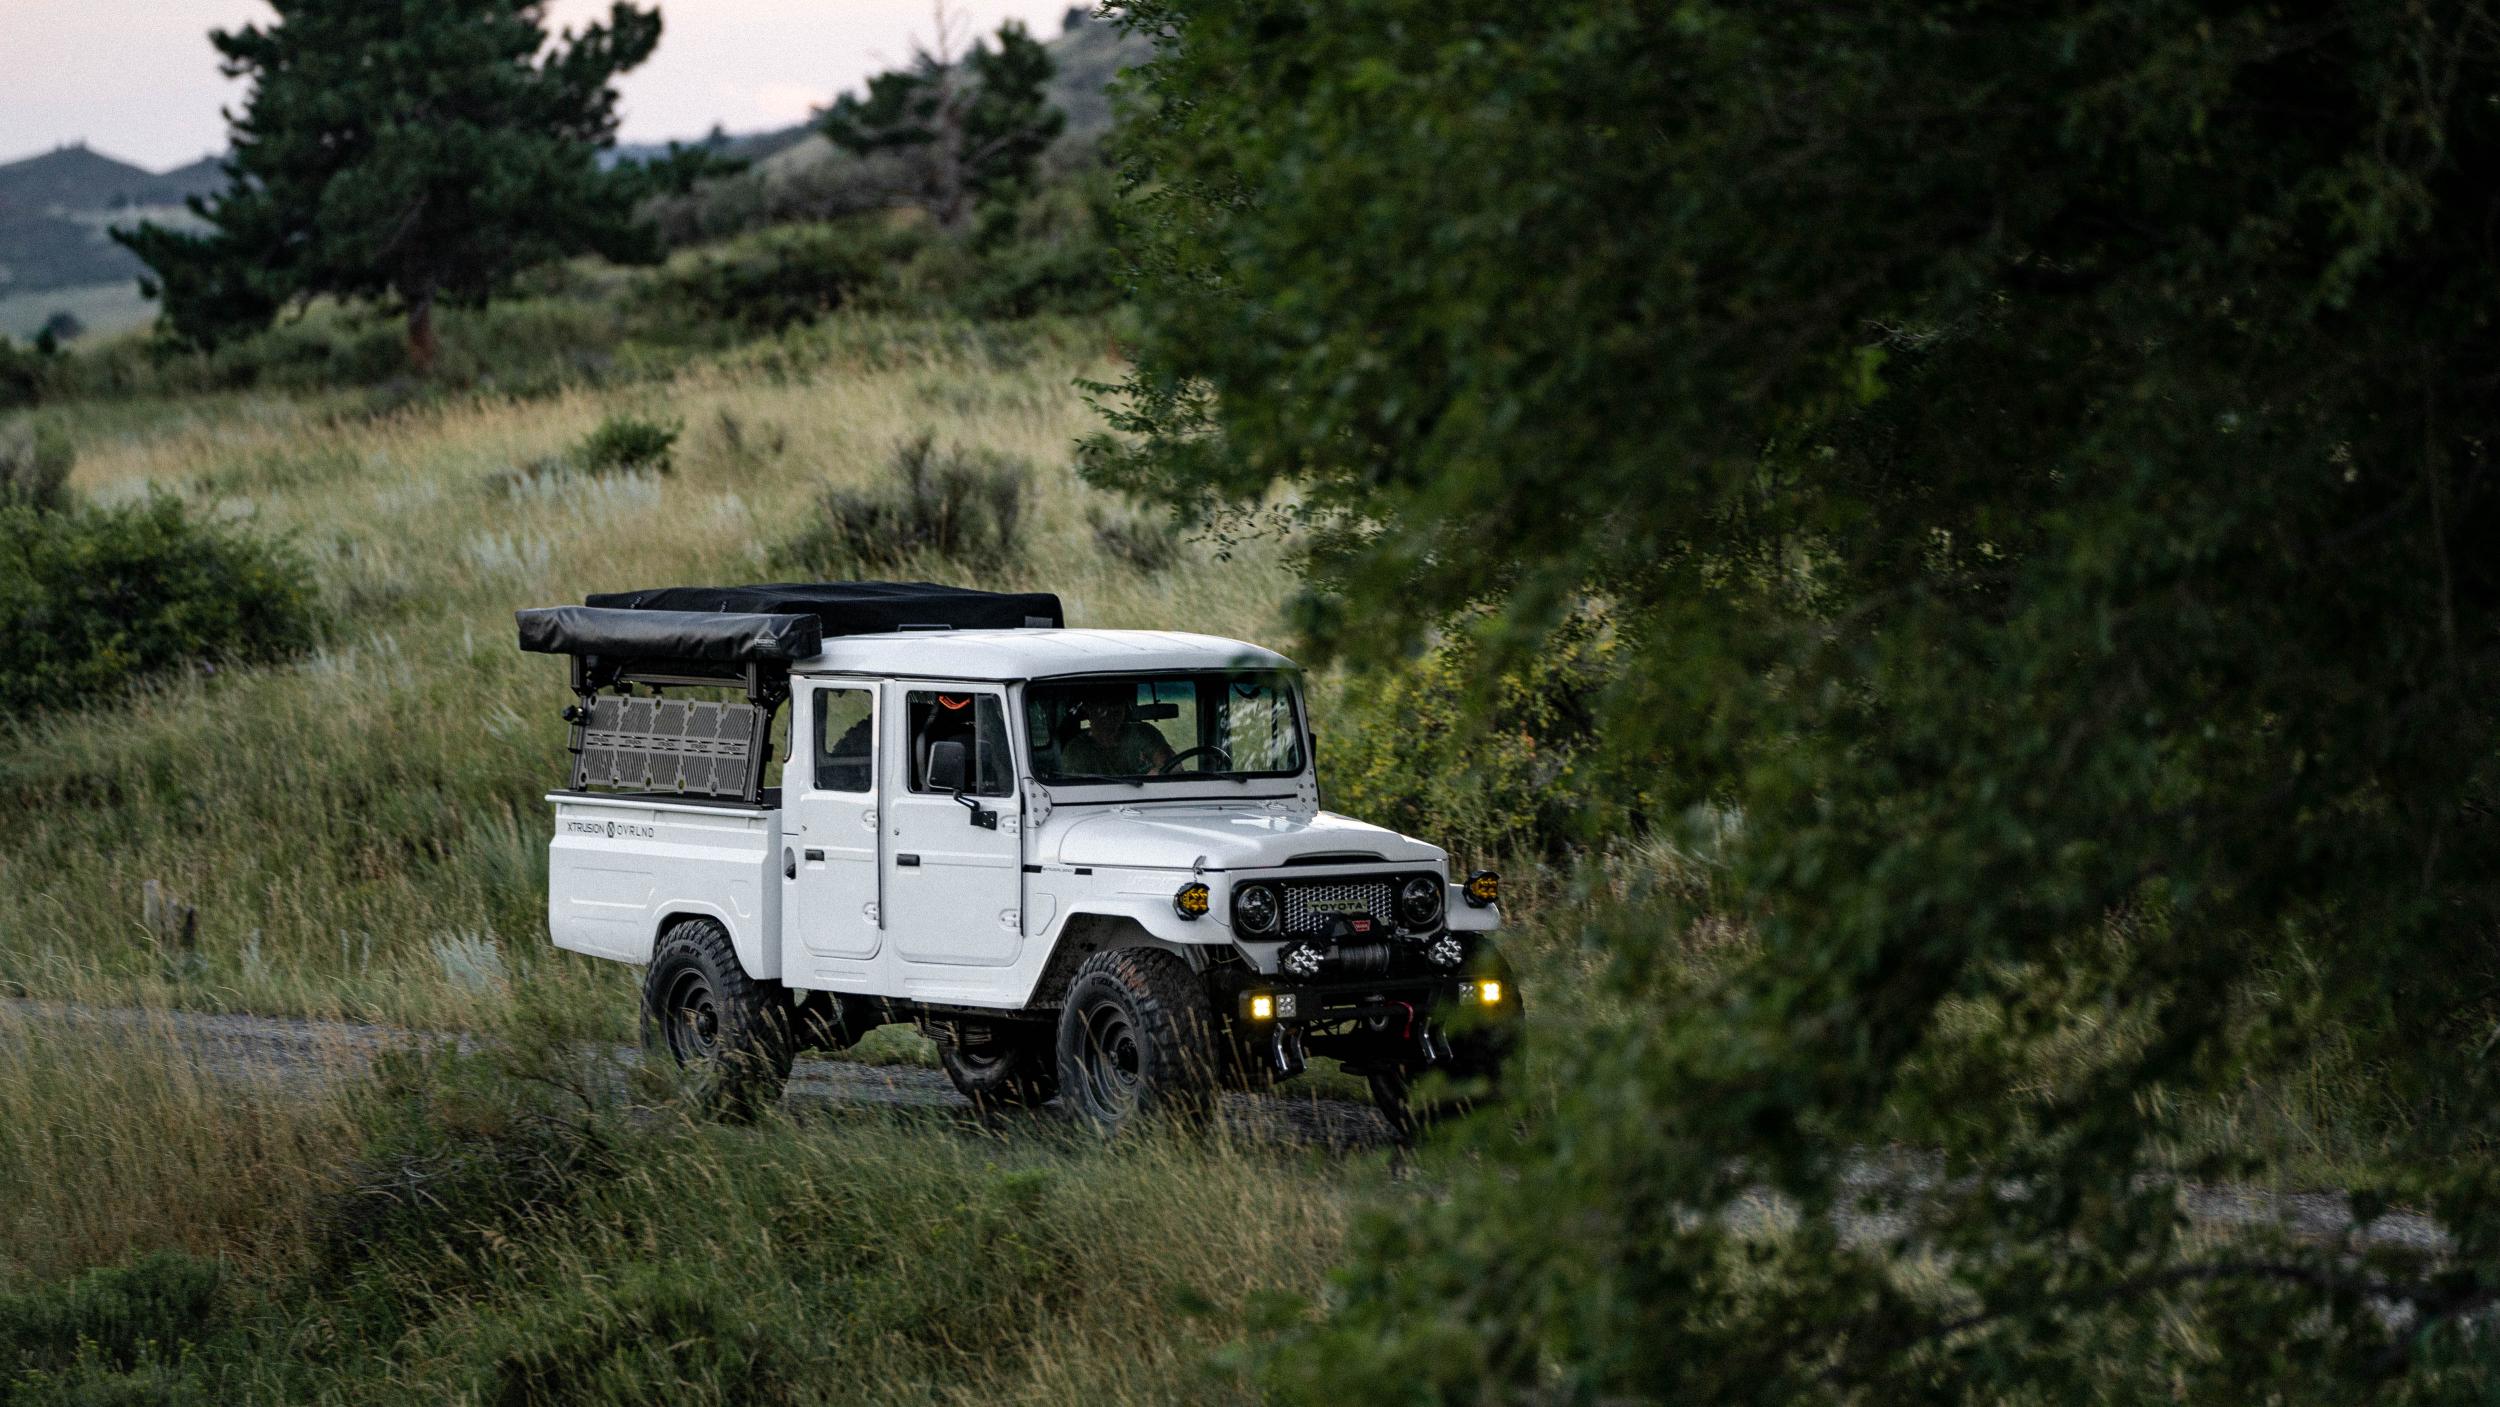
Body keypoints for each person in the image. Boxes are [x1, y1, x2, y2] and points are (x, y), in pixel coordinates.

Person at [1058, 687, 1174, 776]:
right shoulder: (1076, 749)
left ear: (1124, 707)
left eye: (1115, 705)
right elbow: (1076, 791)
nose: (1109, 713)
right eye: (1101, 707)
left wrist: (1157, 773)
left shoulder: (1142, 734)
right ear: (1088, 708)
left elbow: (1172, 765)